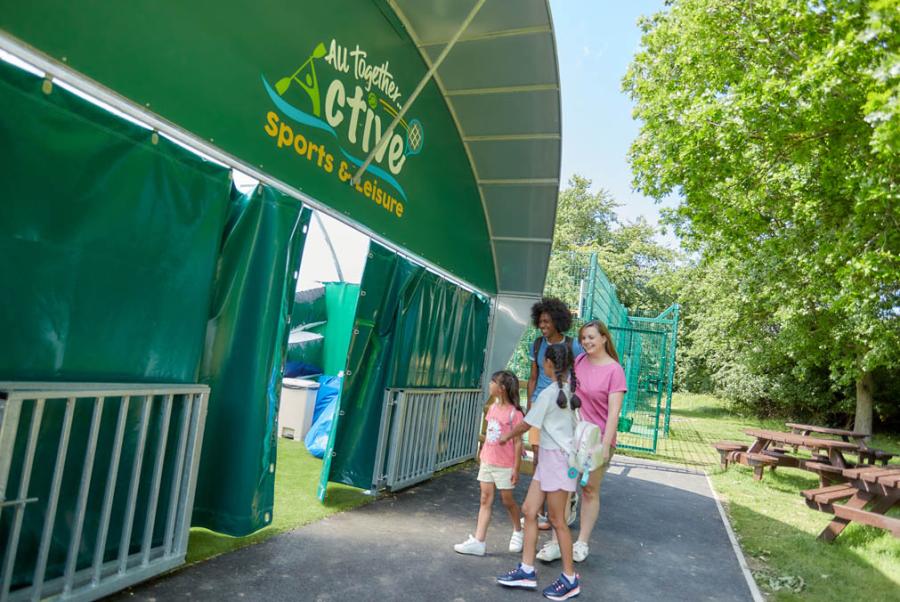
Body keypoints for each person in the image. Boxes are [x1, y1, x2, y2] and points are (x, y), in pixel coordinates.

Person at [535, 320, 626, 564]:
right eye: (583, 338)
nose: (587, 342)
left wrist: (605, 446)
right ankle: (556, 542)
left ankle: (582, 543)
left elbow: (614, 413)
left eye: (592, 337)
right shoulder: (579, 362)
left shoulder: (615, 370)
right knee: (564, 490)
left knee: (588, 489)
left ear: (604, 338)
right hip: (572, 441)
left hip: (596, 442)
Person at [497, 344, 582, 601]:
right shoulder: (567, 391)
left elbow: (526, 423)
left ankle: (569, 578)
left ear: (548, 364)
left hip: (558, 462)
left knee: (557, 520)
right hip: (550, 461)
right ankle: (526, 569)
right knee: (529, 511)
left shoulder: (549, 393)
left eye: (543, 360)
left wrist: (506, 437)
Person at [526, 297, 584, 528]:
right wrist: (530, 404)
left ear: (558, 322)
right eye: (540, 321)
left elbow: (580, 376)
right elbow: (532, 377)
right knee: (538, 458)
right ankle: (540, 513)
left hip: (560, 407)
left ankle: (565, 503)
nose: (543, 325)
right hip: (540, 407)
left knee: (561, 459)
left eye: (547, 321)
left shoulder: (572, 345)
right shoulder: (538, 345)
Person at [454, 371, 525, 556]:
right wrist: (482, 450)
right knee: (485, 499)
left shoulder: (514, 414)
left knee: (507, 500)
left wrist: (516, 468)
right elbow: (489, 432)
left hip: (505, 465)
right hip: (488, 460)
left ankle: (518, 530)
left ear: (502, 389)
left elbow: (518, 442)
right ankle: (479, 541)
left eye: (493, 382)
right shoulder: (492, 407)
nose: (490, 384)